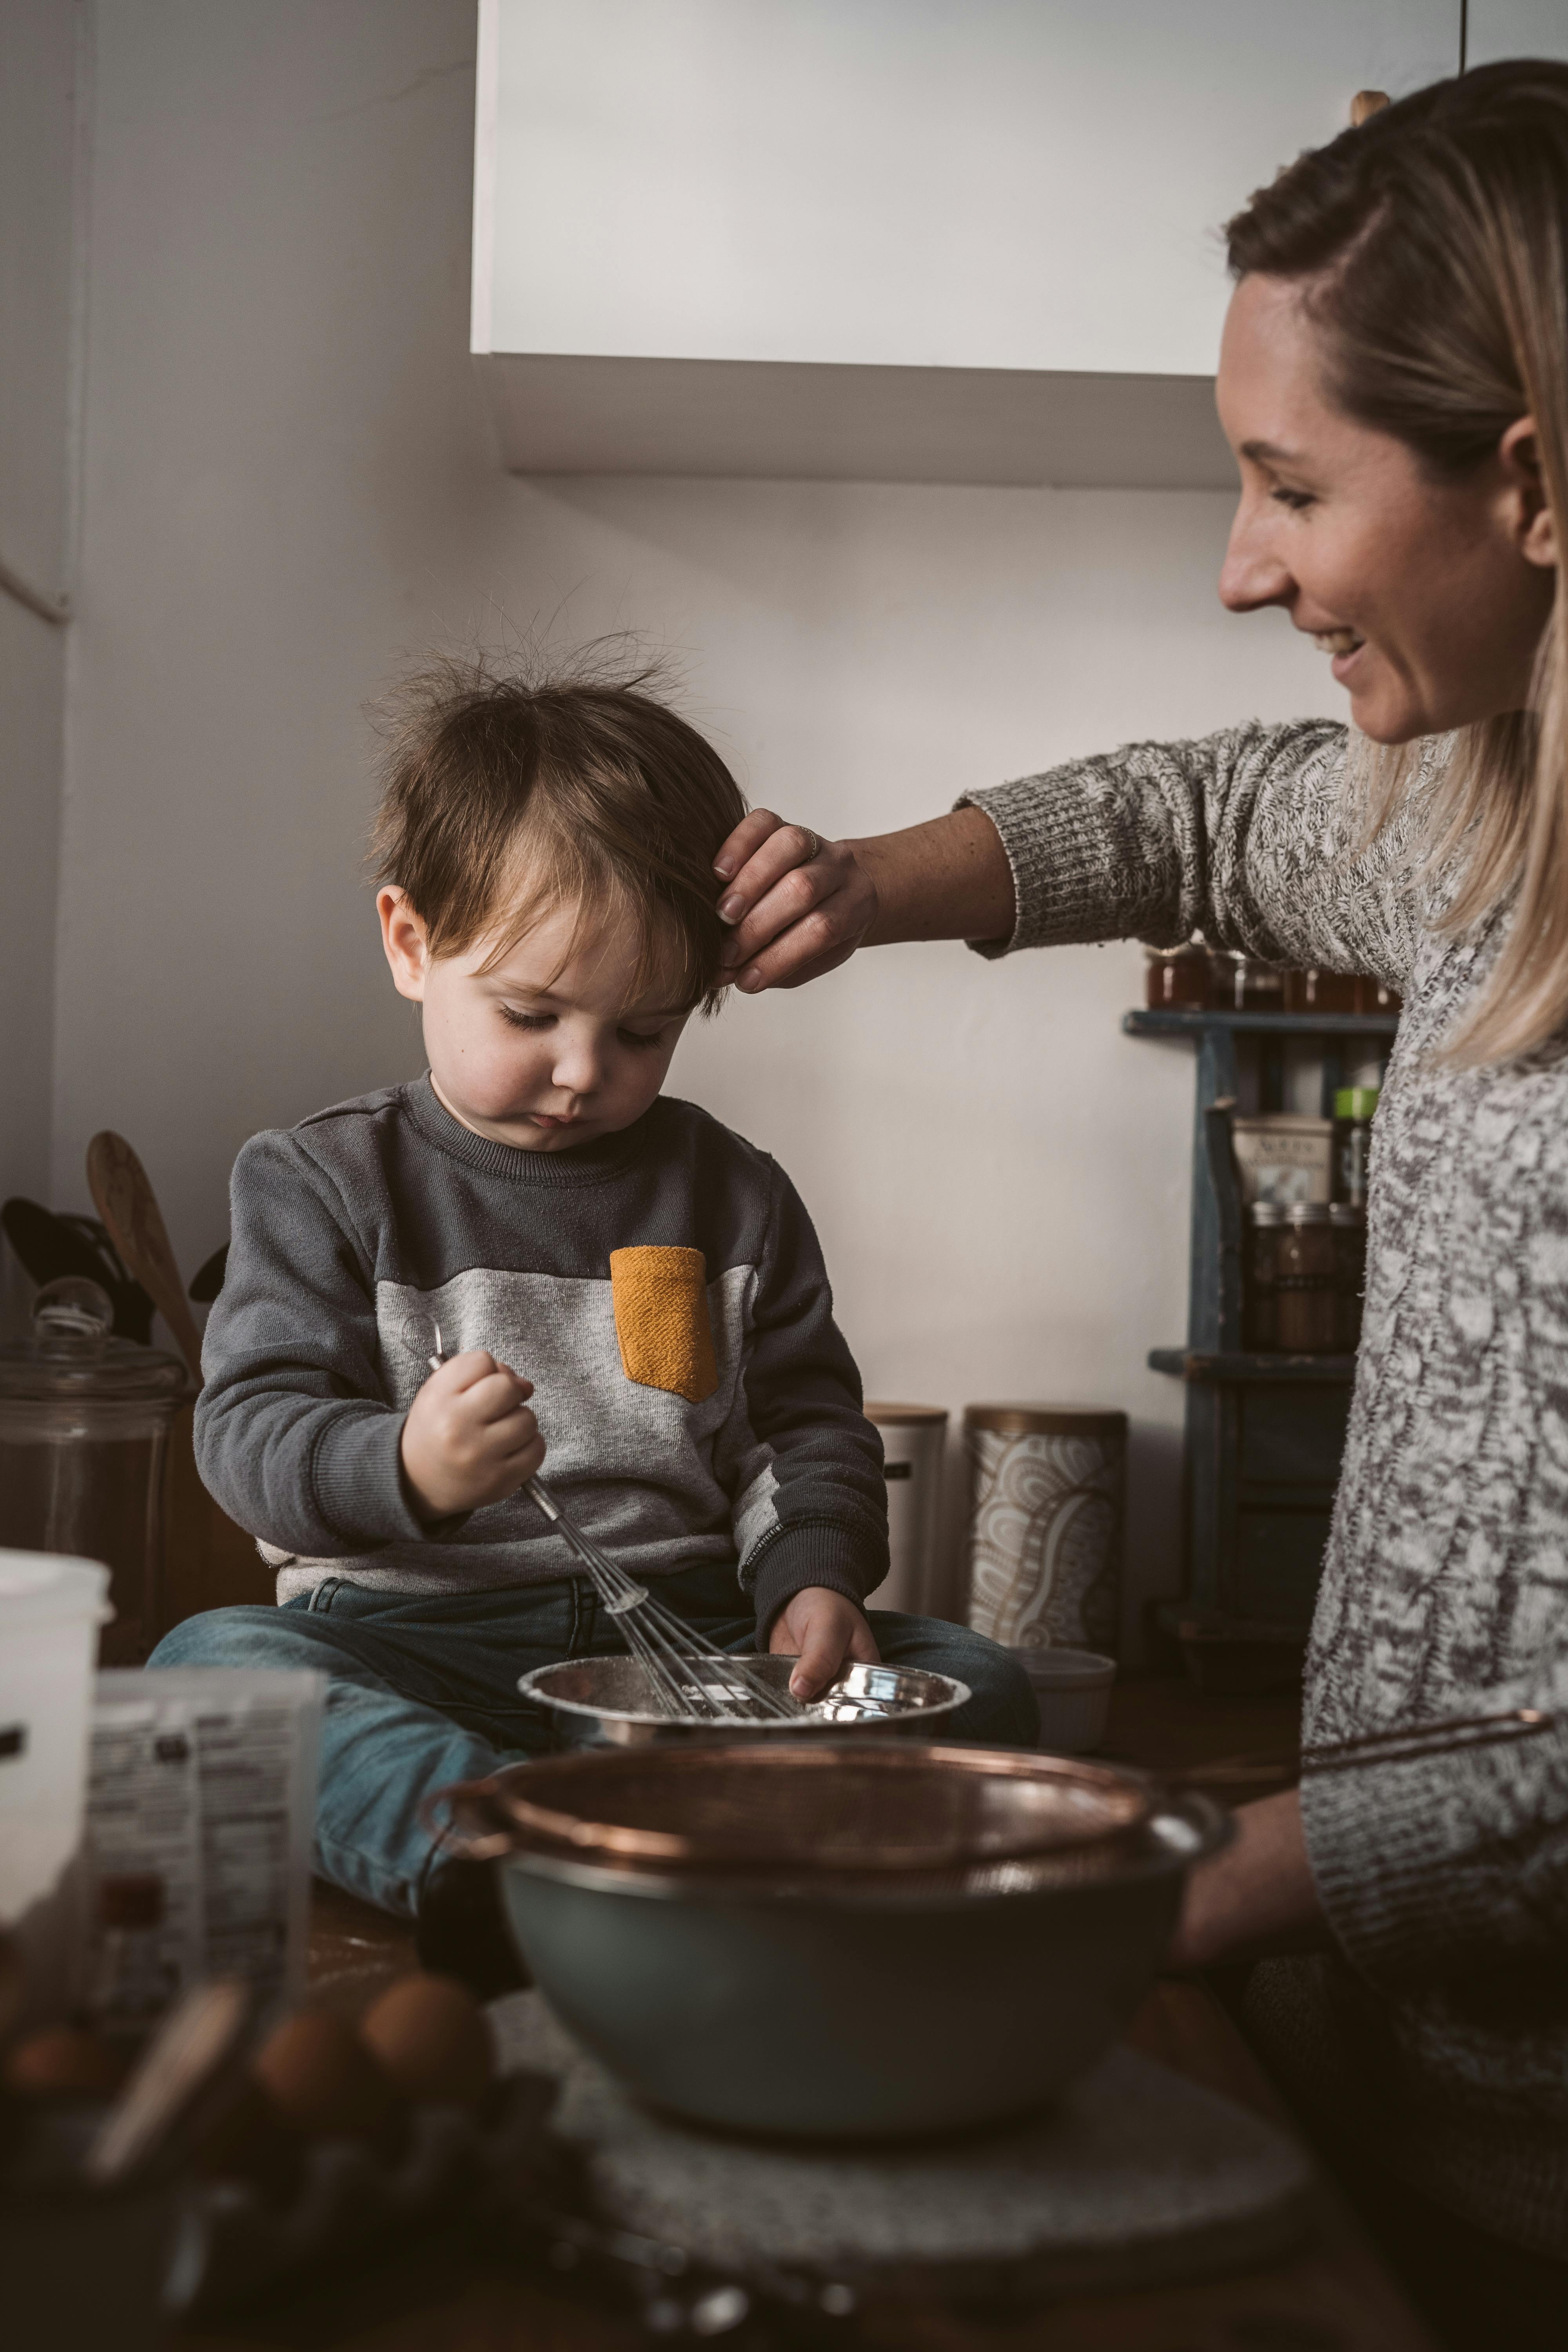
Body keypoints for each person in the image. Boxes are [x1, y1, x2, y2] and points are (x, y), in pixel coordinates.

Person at [702, 58, 1568, 2352]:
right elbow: (1193, 816)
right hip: (1387, 2070)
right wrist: (867, 885)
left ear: (1536, 477)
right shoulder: (1478, 833)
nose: (1240, 563)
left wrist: (1204, 1878)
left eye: (1291, 485)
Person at [150, 663, 1036, 1988]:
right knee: (209, 1668)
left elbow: (805, 1427)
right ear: (410, 942)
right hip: (411, 1649)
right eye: (529, 1015)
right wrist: (404, 1467)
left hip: (680, 1666)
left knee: (980, 1682)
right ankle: (510, 1849)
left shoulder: (730, 1192)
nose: (582, 1072)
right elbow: (248, 1434)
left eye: (642, 1031)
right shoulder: (318, 1180)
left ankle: (663, 1830)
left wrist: (814, 1581)